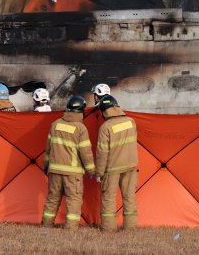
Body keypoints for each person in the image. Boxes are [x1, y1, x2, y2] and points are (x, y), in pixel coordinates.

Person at [41, 96, 94, 230]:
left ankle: (46, 225)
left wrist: (46, 165)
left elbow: (49, 149)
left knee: (52, 198)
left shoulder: (55, 124)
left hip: (54, 171)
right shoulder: (81, 128)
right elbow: (86, 153)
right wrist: (91, 171)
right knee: (74, 200)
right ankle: (71, 228)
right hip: (73, 173)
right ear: (82, 111)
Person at [95, 95, 138, 231]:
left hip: (112, 169)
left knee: (108, 198)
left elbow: (102, 153)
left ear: (104, 111)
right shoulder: (131, 122)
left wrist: (99, 173)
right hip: (131, 166)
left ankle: (108, 229)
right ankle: (130, 228)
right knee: (129, 198)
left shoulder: (105, 127)